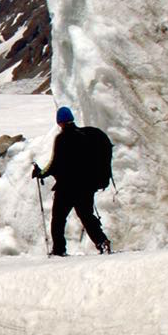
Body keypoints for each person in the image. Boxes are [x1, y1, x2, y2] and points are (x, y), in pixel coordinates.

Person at [34, 106, 112, 255]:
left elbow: (54, 164)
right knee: (87, 216)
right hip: (86, 186)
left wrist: (40, 173)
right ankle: (102, 242)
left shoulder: (62, 139)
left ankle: (59, 250)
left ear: (60, 122)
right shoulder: (85, 136)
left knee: (58, 219)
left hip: (67, 188)